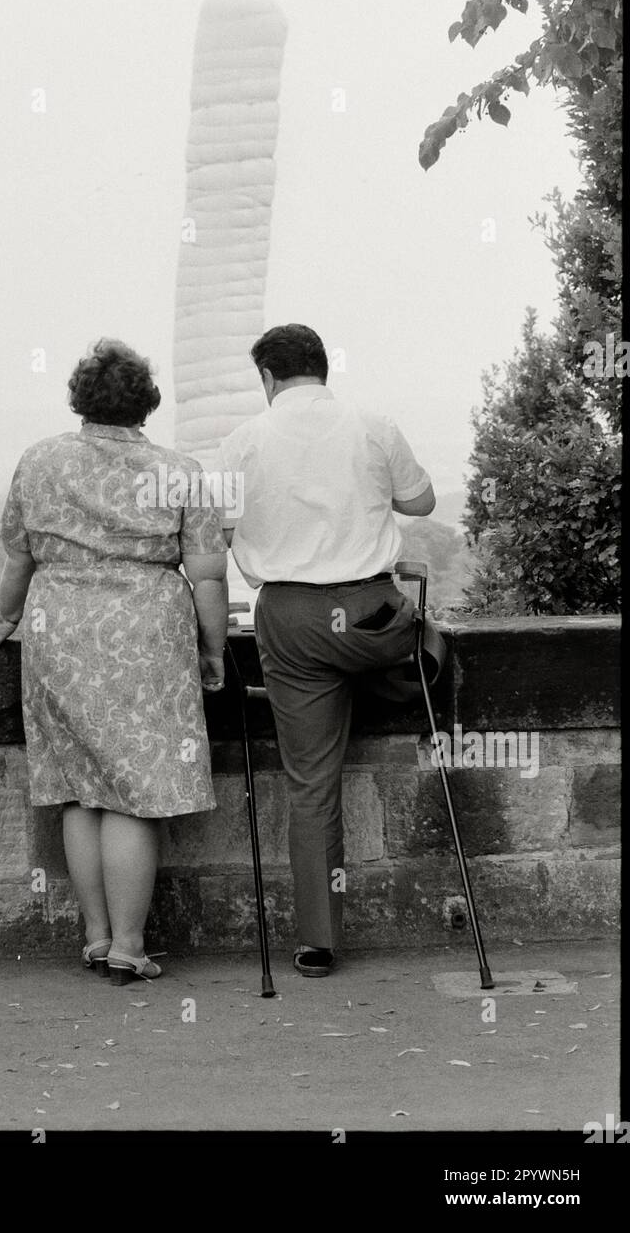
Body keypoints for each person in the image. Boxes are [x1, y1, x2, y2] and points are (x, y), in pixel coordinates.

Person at [0, 338, 228, 984]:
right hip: (147, 632)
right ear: (146, 402)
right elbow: (206, 575)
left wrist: (7, 617)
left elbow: (18, 558)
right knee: (134, 793)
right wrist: (213, 648)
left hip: (59, 629)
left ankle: (94, 938)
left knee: (77, 790)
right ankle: (129, 946)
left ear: (79, 398)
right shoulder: (179, 470)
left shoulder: (38, 462)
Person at [214, 324, 435, 977]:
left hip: (291, 620)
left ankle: (317, 942)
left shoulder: (241, 441)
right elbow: (420, 501)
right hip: (373, 619)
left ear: (268, 379)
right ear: (323, 370)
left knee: (311, 787)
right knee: (426, 643)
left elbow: (216, 531)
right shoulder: (373, 423)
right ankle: (392, 683)